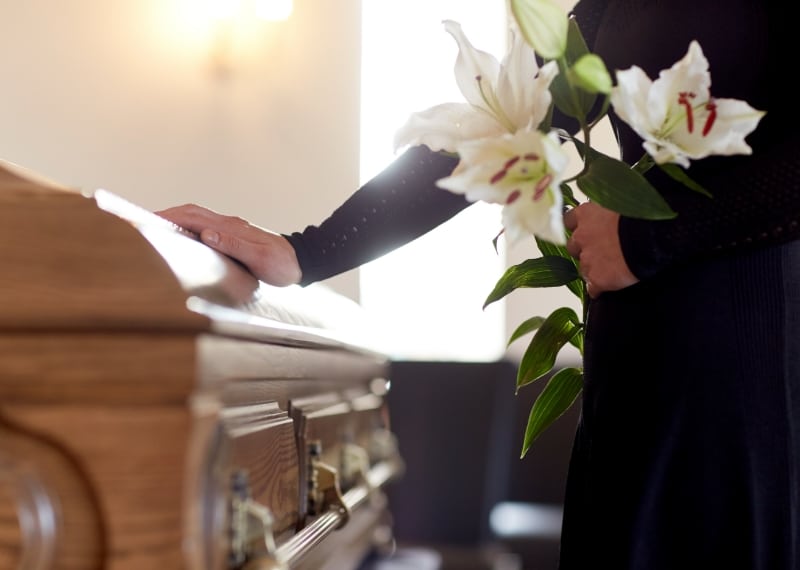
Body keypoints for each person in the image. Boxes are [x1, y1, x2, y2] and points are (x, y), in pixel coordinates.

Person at [157, 1, 799, 568]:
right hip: (635, 373)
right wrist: (308, 250)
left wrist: (649, 236)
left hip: (752, 373)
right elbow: (495, 129)